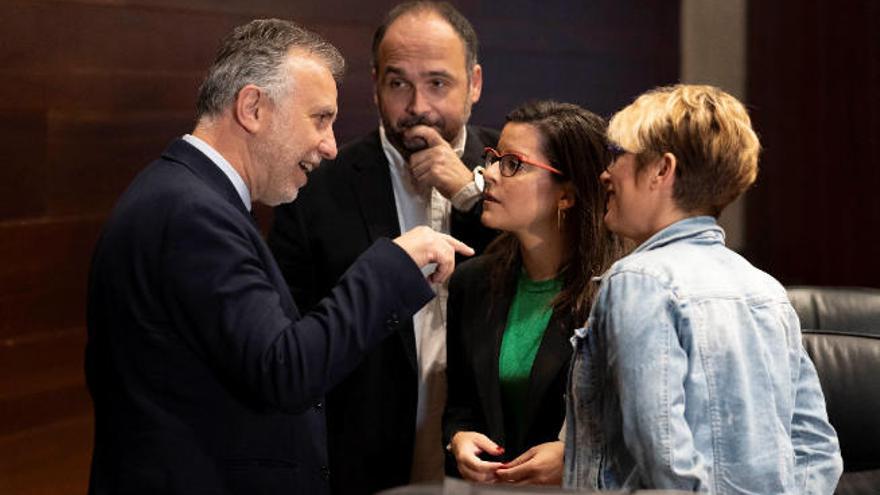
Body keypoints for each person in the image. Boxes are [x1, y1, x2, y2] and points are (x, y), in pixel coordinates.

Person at [85, 19, 473, 495]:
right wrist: (393, 264)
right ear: (253, 107)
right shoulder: (192, 213)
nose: (330, 146)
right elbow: (285, 368)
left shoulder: (190, 197)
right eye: (320, 119)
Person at [563, 84, 843, 493]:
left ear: (662, 169)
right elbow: (817, 448)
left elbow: (662, 456)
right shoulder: (766, 289)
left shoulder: (637, 280)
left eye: (617, 154)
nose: (606, 172)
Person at [267, 2, 498, 493]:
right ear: (375, 85)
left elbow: (547, 275)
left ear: (473, 84)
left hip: (489, 454)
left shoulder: (511, 171)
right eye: (398, 84)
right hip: (360, 457)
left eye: (438, 83)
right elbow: (292, 332)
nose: (417, 106)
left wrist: (471, 194)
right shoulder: (314, 187)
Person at [443, 100, 618, 486]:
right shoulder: (471, 282)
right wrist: (459, 440)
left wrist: (577, 454)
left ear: (566, 194)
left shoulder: (614, 292)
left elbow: (640, 429)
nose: (487, 174)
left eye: (512, 164)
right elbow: (461, 407)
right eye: (492, 159)